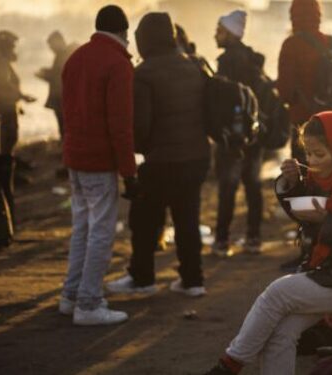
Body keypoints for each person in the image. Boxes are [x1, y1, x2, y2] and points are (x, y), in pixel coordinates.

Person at [203, 111, 332, 375]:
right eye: (308, 154)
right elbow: (311, 217)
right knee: (282, 331)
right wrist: (293, 184)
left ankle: (229, 366)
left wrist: (328, 220)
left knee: (277, 294)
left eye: (318, 154)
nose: (312, 161)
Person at [105, 12, 211, 298]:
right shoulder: (194, 65)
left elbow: (140, 125)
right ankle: (193, 280)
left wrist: (139, 152)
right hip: (197, 157)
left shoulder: (144, 73)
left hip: (162, 160)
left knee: (145, 220)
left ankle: (143, 278)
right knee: (187, 219)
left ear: (144, 40)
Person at [59, 4, 136, 325]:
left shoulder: (76, 58)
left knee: (82, 227)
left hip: (75, 157)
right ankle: (89, 304)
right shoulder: (117, 64)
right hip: (99, 161)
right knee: (101, 232)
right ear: (123, 32)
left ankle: (71, 295)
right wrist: (129, 171)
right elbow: (120, 124)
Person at [277, 0, 332, 271]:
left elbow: (284, 92)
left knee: (305, 188)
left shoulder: (291, 46)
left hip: (304, 129)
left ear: (294, 16)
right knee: (330, 185)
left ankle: (310, 250)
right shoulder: (330, 43)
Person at [209, 10, 266, 257]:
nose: (215, 35)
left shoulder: (227, 62)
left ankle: (222, 240)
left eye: (220, 30)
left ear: (231, 33)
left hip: (233, 136)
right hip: (254, 135)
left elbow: (219, 101)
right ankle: (253, 238)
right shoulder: (253, 59)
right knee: (252, 186)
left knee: (228, 188)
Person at [0, 30, 36, 157]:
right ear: (5, 46)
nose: (13, 49)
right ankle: (5, 172)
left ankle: (9, 170)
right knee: (9, 138)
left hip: (7, 104)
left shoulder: (0, 60)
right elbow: (4, 84)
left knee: (9, 138)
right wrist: (22, 96)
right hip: (5, 105)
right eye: (12, 46)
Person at [36, 31, 78, 179]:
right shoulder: (65, 54)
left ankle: (70, 166)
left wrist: (45, 75)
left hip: (63, 101)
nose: (51, 49)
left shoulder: (66, 54)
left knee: (67, 133)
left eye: (52, 45)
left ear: (59, 41)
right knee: (66, 133)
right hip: (63, 100)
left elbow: (60, 76)